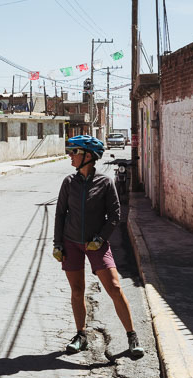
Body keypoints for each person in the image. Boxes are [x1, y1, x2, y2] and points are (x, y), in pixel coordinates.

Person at [53, 134, 145, 359]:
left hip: (97, 244)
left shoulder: (105, 183)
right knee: (77, 291)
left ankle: (132, 336)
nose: (70, 156)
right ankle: (80, 336)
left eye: (74, 152)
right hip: (71, 243)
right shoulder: (69, 182)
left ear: (87, 156)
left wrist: (101, 239)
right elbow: (60, 214)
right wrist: (57, 243)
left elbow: (115, 215)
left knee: (114, 287)